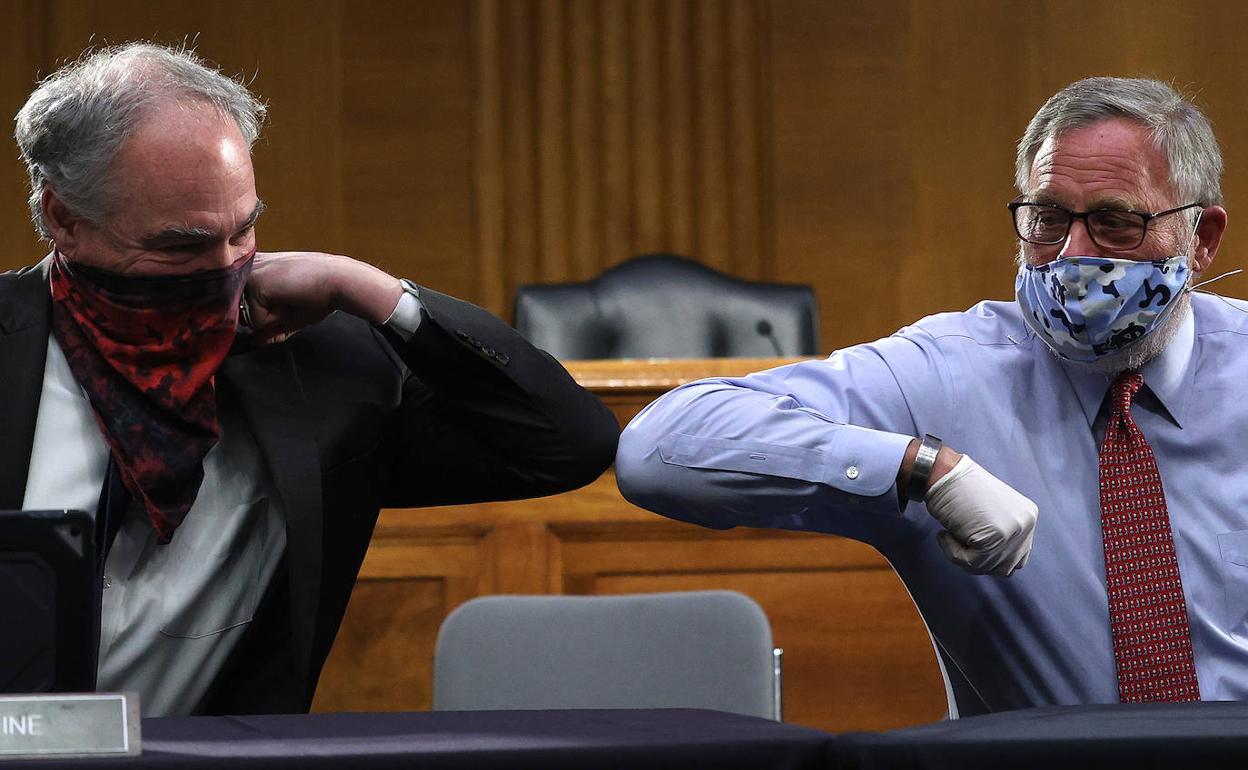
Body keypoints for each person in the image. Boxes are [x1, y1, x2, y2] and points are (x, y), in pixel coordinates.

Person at [4, 42, 618, 716]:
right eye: (181, 246)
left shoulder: (320, 365)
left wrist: (373, 290)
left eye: (243, 233)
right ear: (64, 218)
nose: (225, 269)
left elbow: (567, 443)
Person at [616, 77, 1248, 716]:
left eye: (1116, 223)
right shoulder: (948, 374)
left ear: (1202, 238)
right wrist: (921, 468)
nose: (1072, 256)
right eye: (1048, 220)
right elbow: (658, 448)